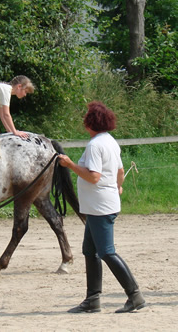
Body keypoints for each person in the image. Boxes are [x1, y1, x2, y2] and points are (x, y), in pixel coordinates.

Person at [57, 101, 146, 314]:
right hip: (98, 206)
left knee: (106, 252)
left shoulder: (95, 145)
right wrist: (117, 187)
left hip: (100, 207)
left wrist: (69, 164)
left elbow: (94, 176)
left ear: (91, 123)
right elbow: (120, 171)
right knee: (90, 250)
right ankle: (92, 299)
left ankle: (135, 295)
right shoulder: (110, 141)